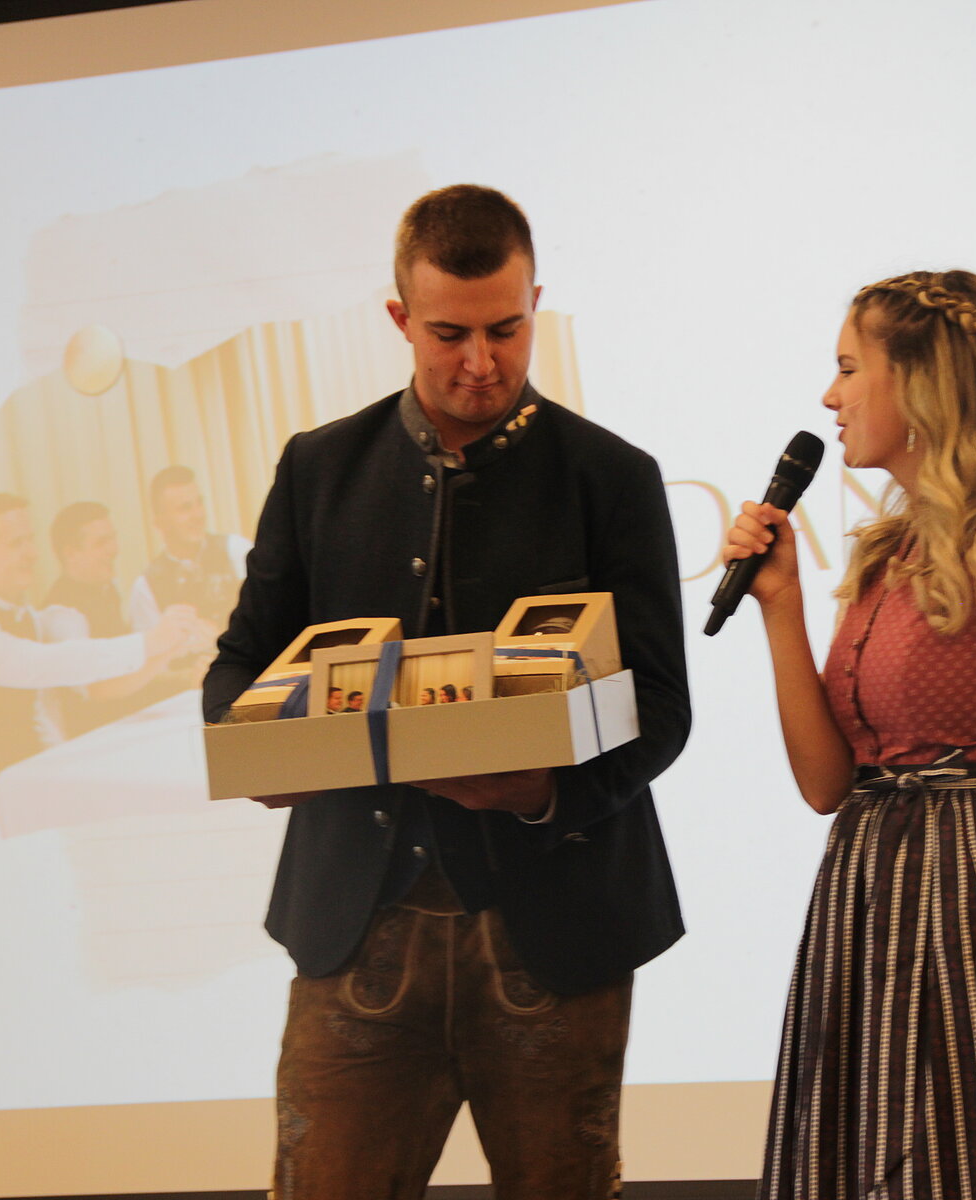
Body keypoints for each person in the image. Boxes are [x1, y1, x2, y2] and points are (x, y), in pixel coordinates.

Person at [203, 184, 690, 1200]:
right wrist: (267, 747)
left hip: (557, 937)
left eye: (506, 330)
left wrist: (544, 791)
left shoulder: (613, 476)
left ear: (536, 303)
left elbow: (661, 707)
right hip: (355, 934)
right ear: (399, 318)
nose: (481, 363)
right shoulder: (318, 468)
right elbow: (235, 671)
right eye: (449, 334)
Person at [723, 272, 976, 1199]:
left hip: (972, 914)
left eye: (847, 369)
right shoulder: (887, 555)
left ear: (916, 382)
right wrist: (781, 607)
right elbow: (828, 785)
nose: (829, 397)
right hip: (869, 909)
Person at [0, 494, 196, 780]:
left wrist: (169, 645)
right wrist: (151, 642)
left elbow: (50, 708)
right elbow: (52, 663)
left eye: (31, 540)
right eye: (17, 543)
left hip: (46, 772)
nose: (33, 554)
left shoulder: (34, 618)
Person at [41, 500, 180, 735]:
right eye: (101, 542)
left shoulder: (107, 590)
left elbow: (128, 672)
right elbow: (98, 690)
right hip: (94, 738)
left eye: (113, 538)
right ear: (70, 553)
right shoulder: (60, 615)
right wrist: (167, 650)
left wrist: (187, 678)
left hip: (125, 725)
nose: (114, 549)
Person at [129, 464, 251, 642]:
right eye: (185, 508)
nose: (198, 515)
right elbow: (151, 654)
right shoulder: (145, 587)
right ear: (160, 522)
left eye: (199, 503)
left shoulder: (236, 550)